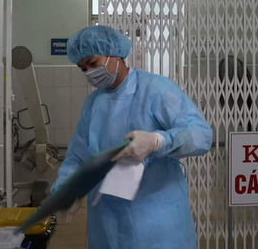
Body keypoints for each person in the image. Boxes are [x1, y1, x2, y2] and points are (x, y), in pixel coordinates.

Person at [51, 25, 213, 248]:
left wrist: (159, 141)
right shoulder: (93, 103)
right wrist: (66, 189)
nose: (89, 72)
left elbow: (201, 135)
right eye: (83, 68)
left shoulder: (155, 89)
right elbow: (78, 156)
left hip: (155, 217)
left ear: (114, 55)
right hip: (106, 219)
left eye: (93, 63)